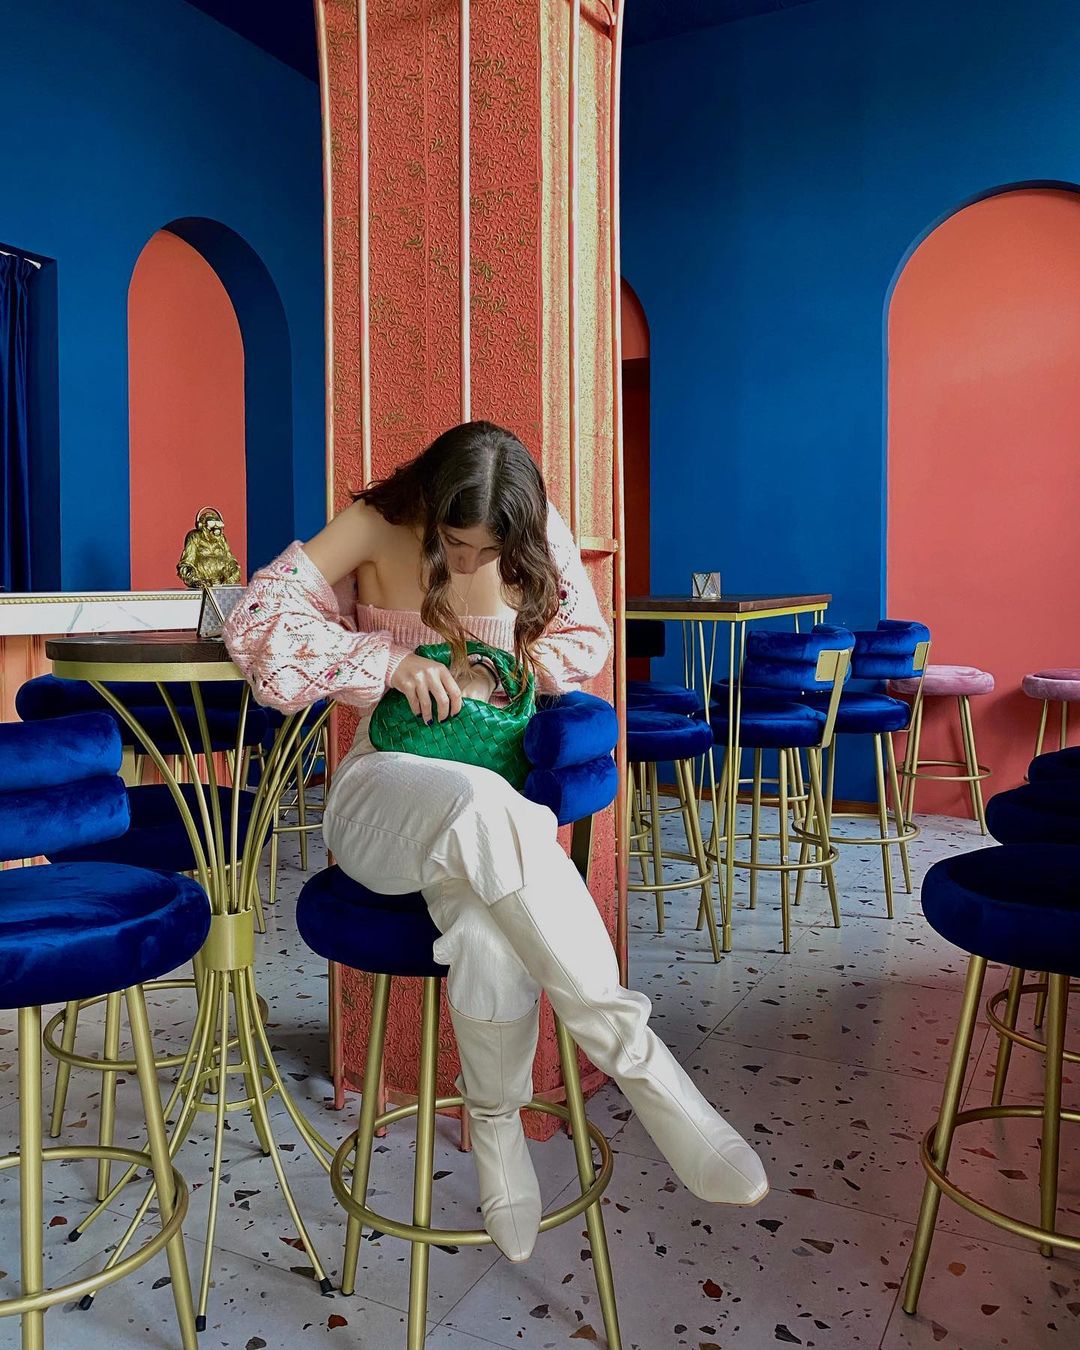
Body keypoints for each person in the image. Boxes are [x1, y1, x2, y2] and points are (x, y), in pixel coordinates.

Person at [224, 421, 767, 1264]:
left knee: (485, 925)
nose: (472, 562)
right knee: (490, 810)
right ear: (431, 506)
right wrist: (386, 663)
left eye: (488, 550)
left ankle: (497, 1129)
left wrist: (497, 672)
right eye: (456, 544)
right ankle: (647, 1069)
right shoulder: (372, 522)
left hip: (487, 817)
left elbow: (584, 639)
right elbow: (254, 620)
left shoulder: (533, 531)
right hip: (381, 794)